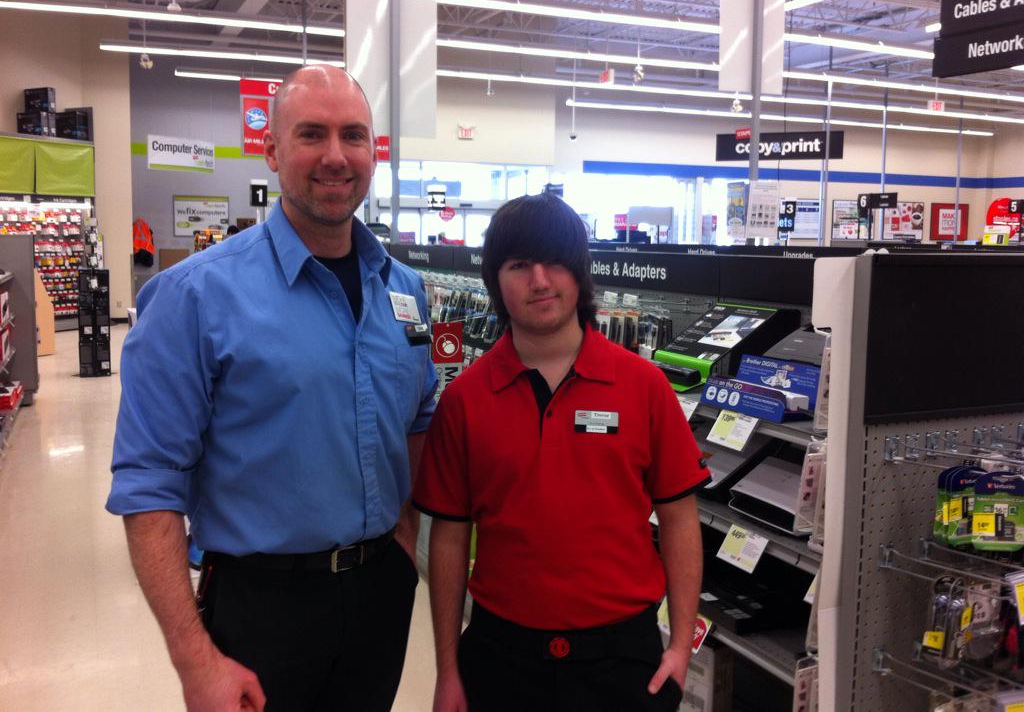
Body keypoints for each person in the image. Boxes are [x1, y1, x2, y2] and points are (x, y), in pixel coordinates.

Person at [107, 65, 437, 711]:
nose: (336, 156)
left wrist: (404, 537)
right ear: (272, 150)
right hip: (261, 610)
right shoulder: (191, 296)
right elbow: (148, 484)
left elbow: (418, 411)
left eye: (355, 136)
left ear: (375, 151)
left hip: (380, 596)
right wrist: (194, 660)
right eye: (312, 134)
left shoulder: (406, 290)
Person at [413, 193, 710, 712]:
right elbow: (450, 539)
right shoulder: (464, 400)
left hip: (624, 660)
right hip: (501, 656)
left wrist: (680, 647)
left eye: (554, 262)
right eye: (519, 265)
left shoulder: (644, 386)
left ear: (579, 273)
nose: (540, 280)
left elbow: (680, 520)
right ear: (495, 281)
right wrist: (447, 670)